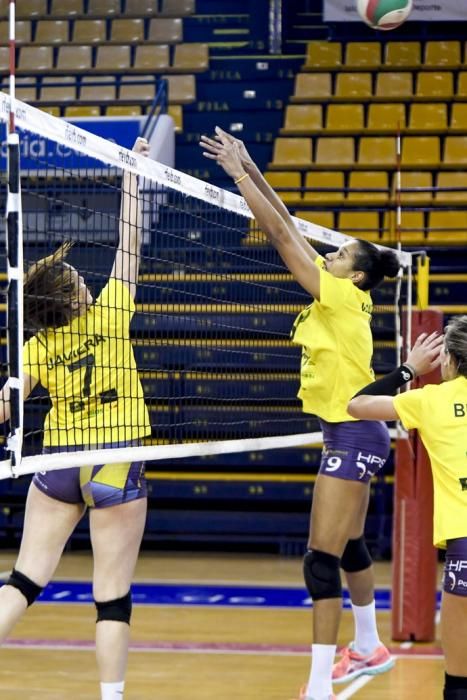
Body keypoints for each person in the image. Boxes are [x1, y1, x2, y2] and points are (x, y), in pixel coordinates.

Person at [200, 127, 400, 700]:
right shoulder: (343, 295)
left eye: (338, 255)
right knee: (352, 546)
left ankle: (317, 687)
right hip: (357, 432)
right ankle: (368, 646)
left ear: (355, 275)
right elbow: (287, 223)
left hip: (355, 434)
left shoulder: (340, 296)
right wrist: (250, 165)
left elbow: (282, 238)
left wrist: (238, 175)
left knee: (319, 559)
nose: (328, 255)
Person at [0, 137, 151, 700]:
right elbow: (130, 243)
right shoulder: (112, 312)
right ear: (74, 296)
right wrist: (132, 178)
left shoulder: (36, 346)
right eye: (75, 279)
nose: (84, 279)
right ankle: (111, 698)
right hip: (115, 463)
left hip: (60, 462)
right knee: (111, 595)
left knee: (24, 579)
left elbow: (5, 404)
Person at [347, 320, 467, 700]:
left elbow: (356, 405)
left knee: (459, 681)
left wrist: (410, 369)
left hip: (465, 543)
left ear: (447, 359)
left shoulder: (430, 400)